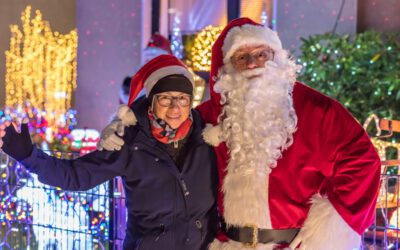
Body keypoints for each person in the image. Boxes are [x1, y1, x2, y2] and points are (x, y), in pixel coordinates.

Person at [98, 18, 381, 249]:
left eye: (262, 54)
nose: (255, 63)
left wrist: (327, 230)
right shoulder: (211, 115)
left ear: (276, 57)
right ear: (227, 68)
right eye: (243, 57)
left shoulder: (318, 111)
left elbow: (363, 161)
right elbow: (164, 121)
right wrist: (123, 123)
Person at [0, 54, 219, 250]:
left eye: (182, 98)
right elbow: (77, 176)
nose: (175, 107)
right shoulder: (129, 141)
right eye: (165, 98)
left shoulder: (208, 136)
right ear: (151, 101)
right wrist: (29, 156)